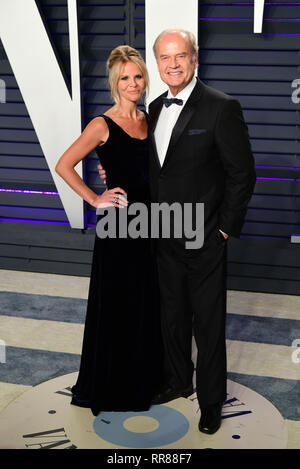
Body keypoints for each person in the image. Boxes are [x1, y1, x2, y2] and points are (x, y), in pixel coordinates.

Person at [99, 29, 256, 434]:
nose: (173, 64)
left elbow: (242, 174)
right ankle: (176, 380)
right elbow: (150, 168)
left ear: (194, 59)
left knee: (208, 324)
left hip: (205, 238)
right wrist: (109, 172)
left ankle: (210, 401)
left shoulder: (222, 108)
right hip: (161, 235)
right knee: (171, 318)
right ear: (157, 63)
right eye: (165, 57)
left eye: (180, 56)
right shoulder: (151, 108)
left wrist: (223, 231)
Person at [55, 45, 163, 416]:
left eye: (137, 76)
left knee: (145, 303)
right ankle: (114, 387)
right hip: (119, 229)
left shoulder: (149, 119)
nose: (133, 83)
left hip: (150, 225)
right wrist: (95, 199)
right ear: (114, 84)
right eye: (125, 78)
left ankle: (144, 379)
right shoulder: (102, 124)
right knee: (118, 306)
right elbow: (64, 164)